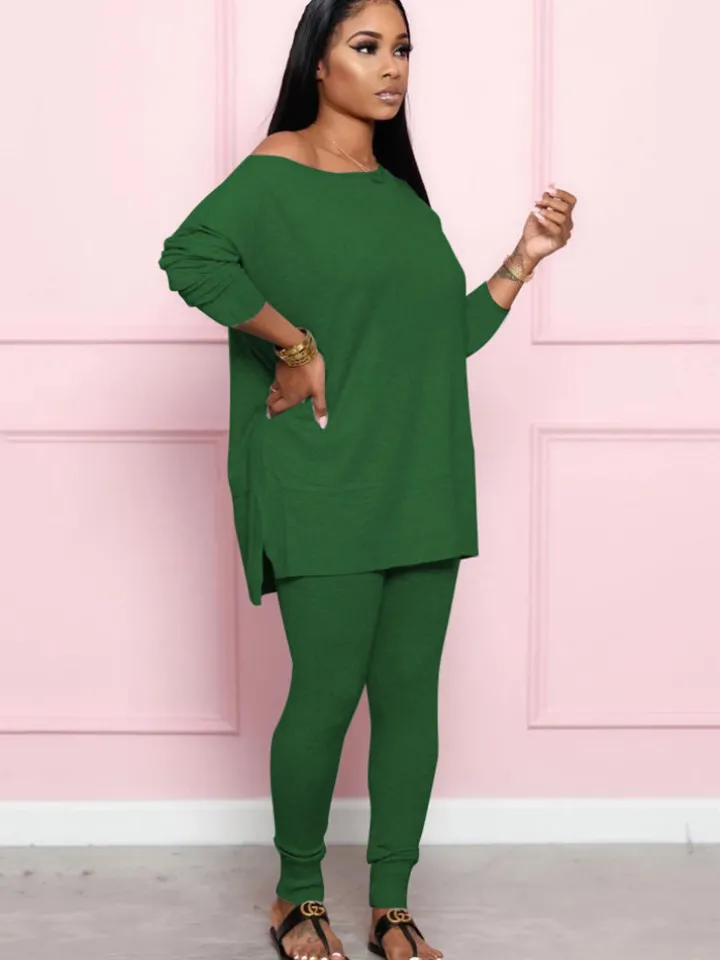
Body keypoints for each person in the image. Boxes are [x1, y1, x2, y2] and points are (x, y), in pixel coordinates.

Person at [158, 1, 575, 957]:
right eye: (367, 46)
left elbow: (439, 342)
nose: (392, 67)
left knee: (410, 697)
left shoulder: (400, 197)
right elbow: (189, 256)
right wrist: (293, 343)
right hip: (322, 475)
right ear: (319, 61)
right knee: (327, 691)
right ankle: (297, 894)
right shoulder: (274, 171)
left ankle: (391, 902)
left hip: (422, 477)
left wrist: (521, 261)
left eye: (403, 49)